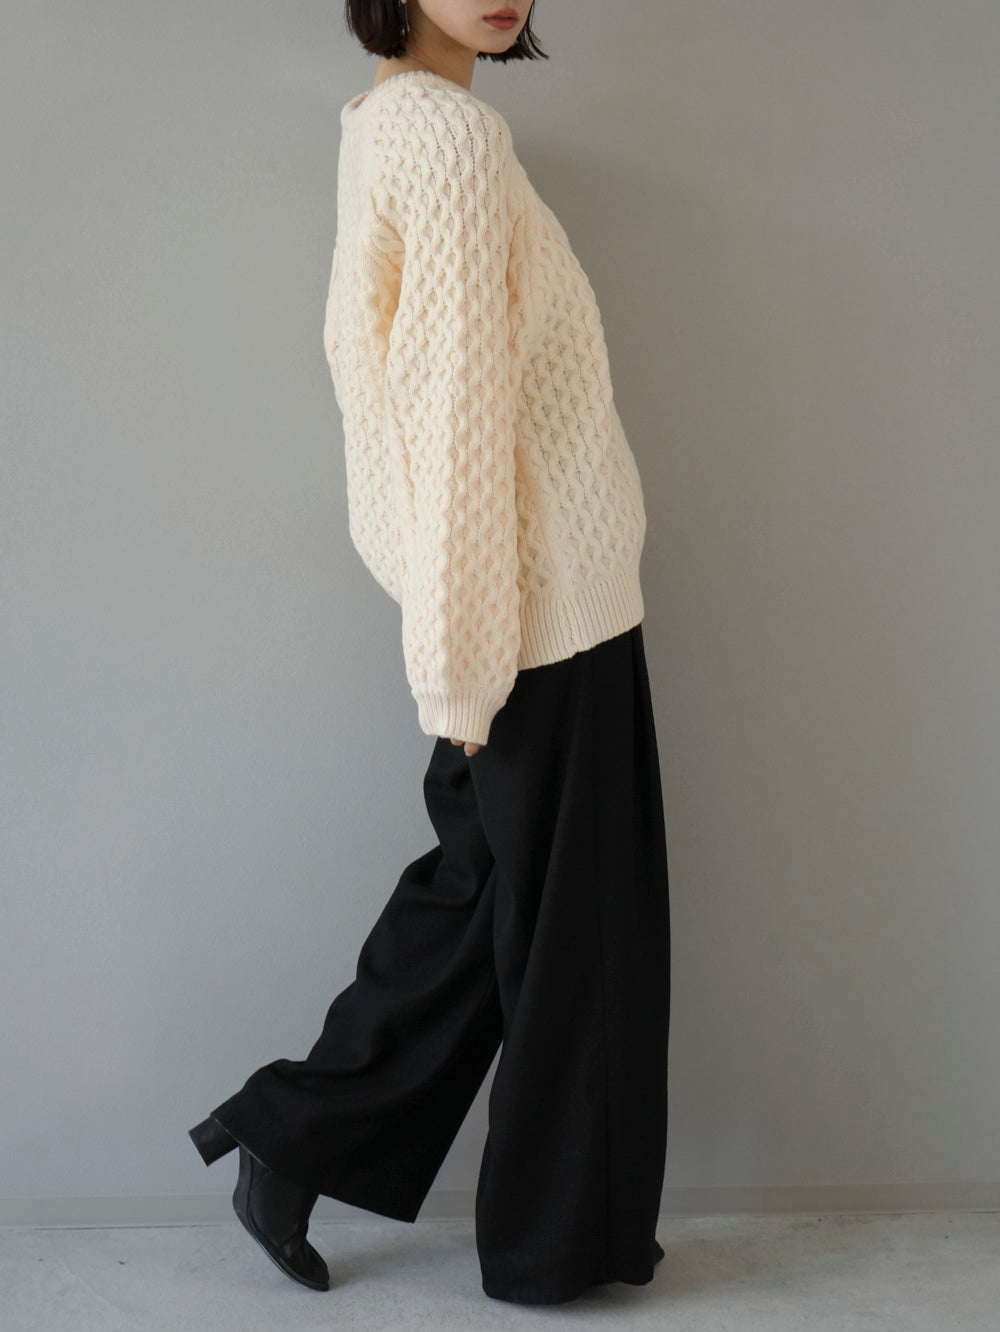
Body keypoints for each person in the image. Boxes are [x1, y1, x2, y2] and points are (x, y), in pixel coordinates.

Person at [188, 0, 670, 1307]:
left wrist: (460, 631)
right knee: (575, 944)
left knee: (478, 907)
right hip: (539, 612)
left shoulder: (383, 124)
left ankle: (289, 1139)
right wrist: (460, 660)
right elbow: (449, 409)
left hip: (524, 600)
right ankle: (558, 1247)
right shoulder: (448, 139)